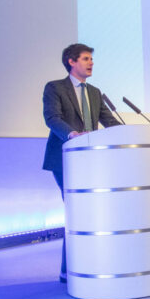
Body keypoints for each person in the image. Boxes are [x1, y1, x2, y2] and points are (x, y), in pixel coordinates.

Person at [42, 43, 122, 282]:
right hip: (65, 158)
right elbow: (52, 118)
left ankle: (94, 262)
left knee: (94, 210)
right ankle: (69, 269)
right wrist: (71, 134)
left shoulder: (95, 92)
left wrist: (129, 135)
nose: (91, 63)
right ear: (71, 61)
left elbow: (108, 120)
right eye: (86, 59)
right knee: (77, 211)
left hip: (92, 161)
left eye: (91, 59)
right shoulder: (55, 88)